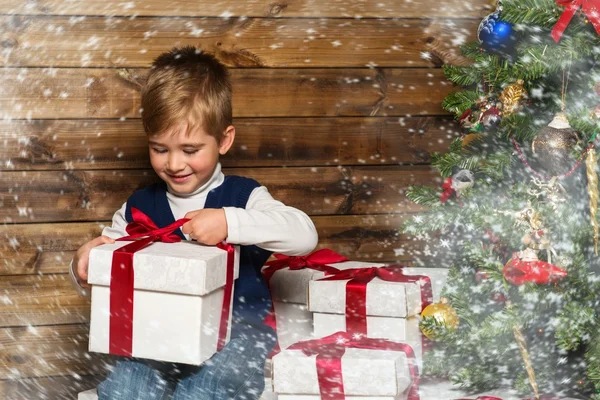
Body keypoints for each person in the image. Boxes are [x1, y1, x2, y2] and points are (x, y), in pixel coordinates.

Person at [69, 46, 318, 400]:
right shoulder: (139, 207)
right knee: (126, 388)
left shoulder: (243, 196)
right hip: (157, 336)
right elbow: (108, 267)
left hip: (237, 334)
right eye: (159, 148)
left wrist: (231, 222)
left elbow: (304, 235)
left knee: (206, 389)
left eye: (189, 150)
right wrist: (84, 262)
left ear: (224, 140)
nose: (174, 164)